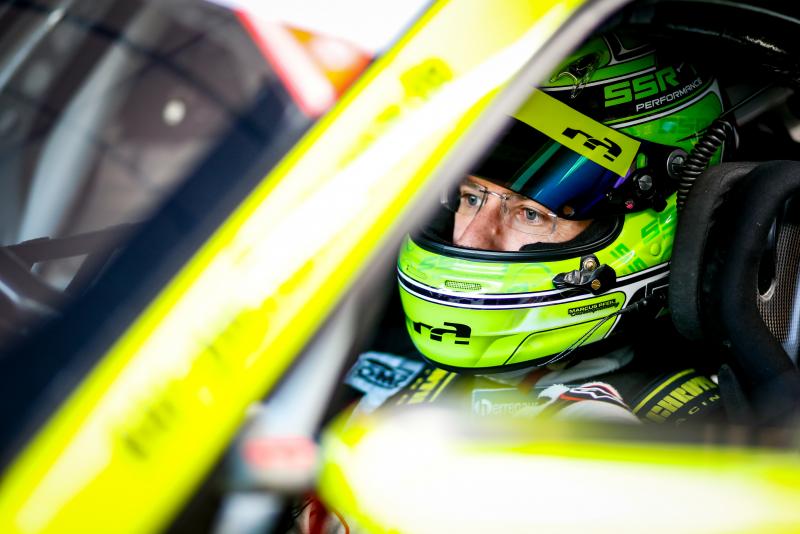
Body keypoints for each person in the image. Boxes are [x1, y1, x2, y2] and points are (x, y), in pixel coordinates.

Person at [344, 31, 727, 425]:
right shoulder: (356, 348)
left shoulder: (701, 435)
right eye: (471, 197)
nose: (472, 239)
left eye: (531, 214)